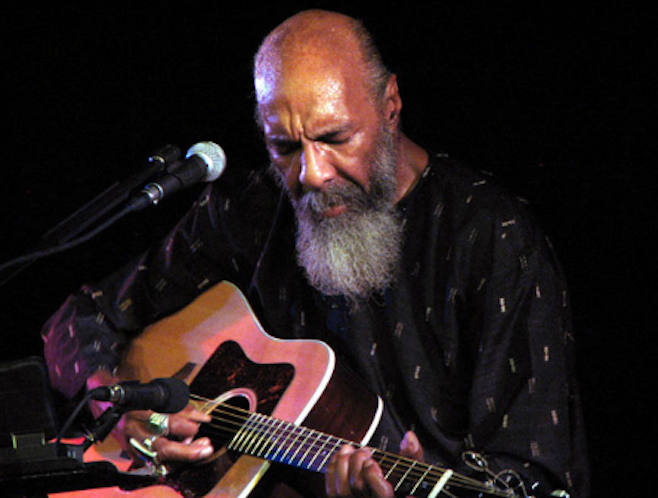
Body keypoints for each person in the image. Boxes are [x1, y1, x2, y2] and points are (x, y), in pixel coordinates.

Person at [42, 9, 589, 498]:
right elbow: (79, 319)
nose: (312, 173)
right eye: (284, 147)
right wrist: (119, 407)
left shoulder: (492, 238)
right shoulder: (248, 211)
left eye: (334, 137)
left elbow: (532, 472)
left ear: (391, 106)